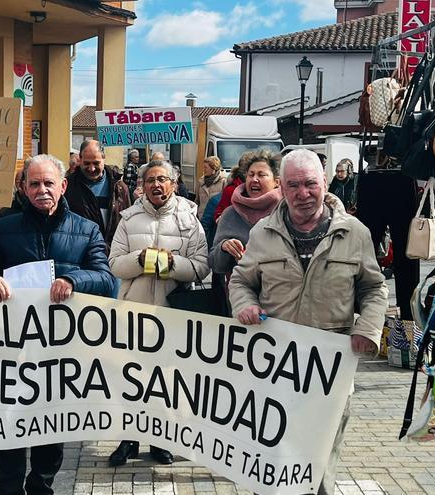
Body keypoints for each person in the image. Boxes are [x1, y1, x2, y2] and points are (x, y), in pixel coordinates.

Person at [227, 149, 387, 495]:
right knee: (270, 466)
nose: (303, 193)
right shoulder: (262, 233)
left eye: (310, 184)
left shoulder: (355, 233)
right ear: (282, 188)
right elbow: (241, 281)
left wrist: (368, 329)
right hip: (273, 370)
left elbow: (374, 288)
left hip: (329, 372)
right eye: (294, 185)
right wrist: (245, 305)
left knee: (319, 467)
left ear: (324, 183)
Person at [0, 153, 115, 495]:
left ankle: (41, 484)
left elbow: (106, 279)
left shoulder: (87, 229)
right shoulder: (4, 227)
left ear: (63, 186)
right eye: (34, 183)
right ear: (23, 188)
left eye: (49, 183)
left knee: (53, 429)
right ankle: (7, 488)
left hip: (60, 351)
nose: (42, 190)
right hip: (11, 350)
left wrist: (74, 280)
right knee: (7, 424)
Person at [107, 159, 210, 467]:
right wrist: (140, 259)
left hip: (172, 313)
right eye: (150, 179)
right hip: (134, 312)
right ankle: (128, 438)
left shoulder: (190, 219)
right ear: (143, 185)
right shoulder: (128, 218)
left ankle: (161, 440)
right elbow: (114, 263)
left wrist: (170, 265)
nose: (156, 185)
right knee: (131, 378)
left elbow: (201, 266)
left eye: (162, 179)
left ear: (173, 184)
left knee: (166, 382)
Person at [210, 150, 282, 278]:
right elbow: (214, 264)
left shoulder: (286, 211)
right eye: (251, 174)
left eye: (261, 175)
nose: (254, 179)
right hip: (241, 292)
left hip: (282, 291)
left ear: (277, 182)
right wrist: (224, 247)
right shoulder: (230, 213)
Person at [64, 139, 131, 249]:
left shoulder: (120, 188)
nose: (91, 168)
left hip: (113, 252)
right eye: (87, 163)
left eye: (96, 163)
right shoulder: (67, 187)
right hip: (79, 252)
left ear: (104, 158)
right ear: (80, 159)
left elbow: (128, 222)